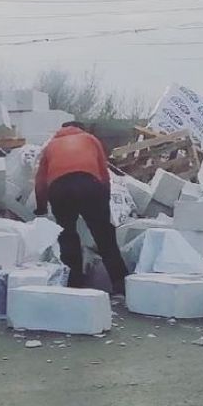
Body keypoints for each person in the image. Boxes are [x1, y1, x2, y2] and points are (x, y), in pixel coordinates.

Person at [34, 122, 129, 294]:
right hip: (89, 184)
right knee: (104, 236)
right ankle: (120, 282)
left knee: (67, 235)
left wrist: (41, 207)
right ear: (81, 129)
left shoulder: (51, 146)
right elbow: (104, 173)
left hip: (59, 188)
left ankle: (74, 283)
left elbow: (40, 181)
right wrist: (104, 204)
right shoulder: (90, 139)